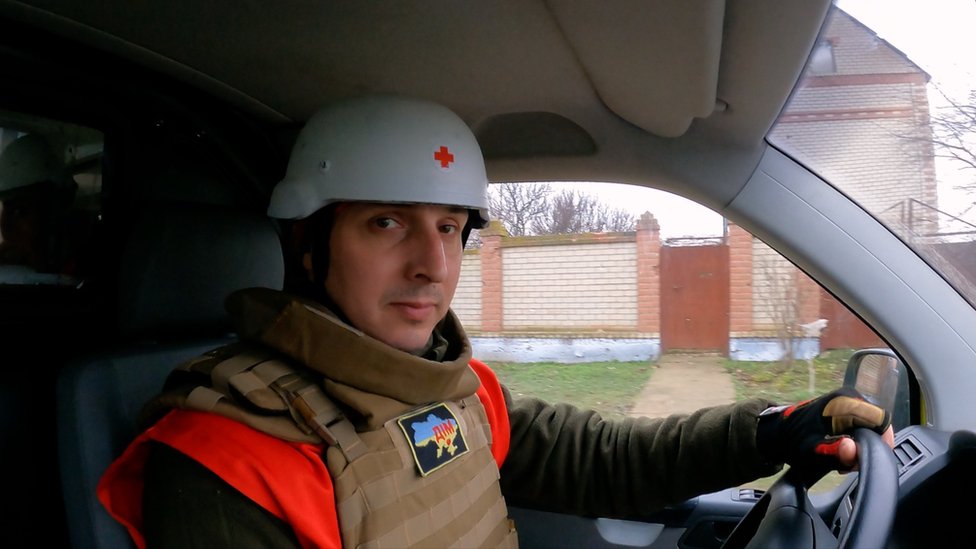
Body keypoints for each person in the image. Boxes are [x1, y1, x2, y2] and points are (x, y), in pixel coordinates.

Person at [97, 95, 893, 548]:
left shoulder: (456, 390)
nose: (432, 264)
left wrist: (770, 430)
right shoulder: (228, 459)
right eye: (386, 222)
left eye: (449, 226)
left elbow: (605, 458)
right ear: (308, 245)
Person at [0, 133, 80, 282]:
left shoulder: (85, 269)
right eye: (6, 209)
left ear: (55, 212)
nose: (7, 228)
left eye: (21, 211)